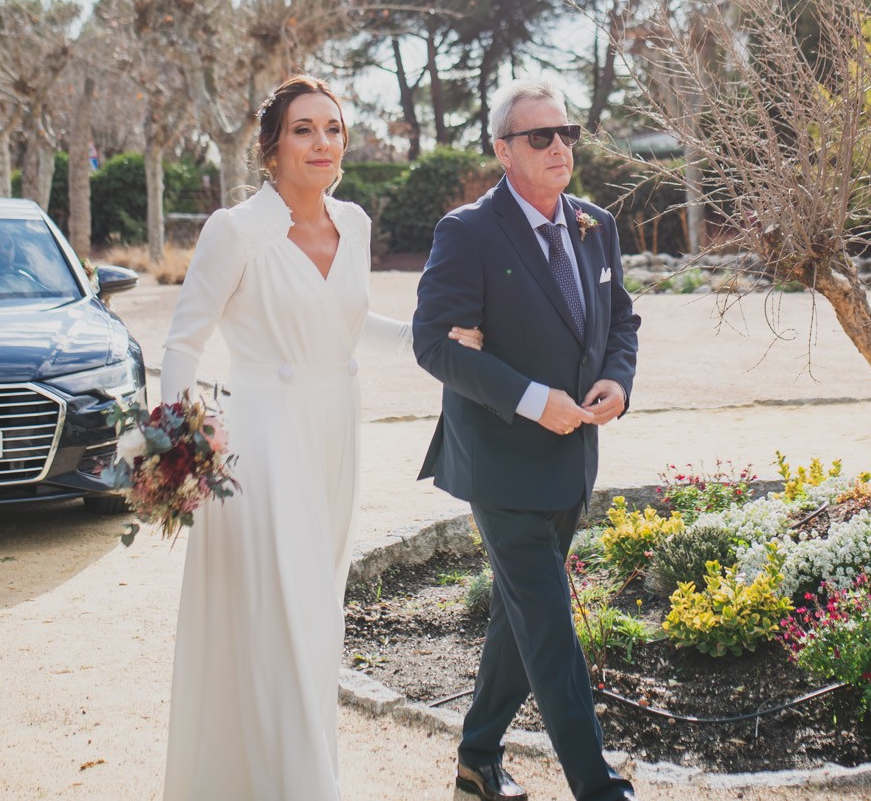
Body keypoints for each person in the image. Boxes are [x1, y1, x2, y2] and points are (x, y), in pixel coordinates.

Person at [158, 75, 481, 801]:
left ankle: (286, 774)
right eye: (304, 128)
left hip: (338, 428)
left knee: (316, 611)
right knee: (286, 612)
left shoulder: (356, 223)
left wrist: (436, 339)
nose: (322, 142)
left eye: (332, 128)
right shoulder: (235, 229)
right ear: (271, 147)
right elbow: (184, 341)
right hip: (262, 441)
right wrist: (175, 449)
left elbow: (345, 324)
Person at [413, 78, 639, 801]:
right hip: (501, 464)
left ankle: (478, 760)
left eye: (567, 131)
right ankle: (597, 787)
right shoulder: (468, 231)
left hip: (572, 460)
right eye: (540, 136)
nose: (559, 146)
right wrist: (533, 398)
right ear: (504, 150)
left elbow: (622, 323)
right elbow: (434, 346)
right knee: (548, 624)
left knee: (519, 617)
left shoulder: (597, 224)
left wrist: (617, 381)